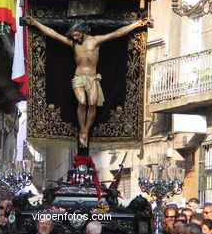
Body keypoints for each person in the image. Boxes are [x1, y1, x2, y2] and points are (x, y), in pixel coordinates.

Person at [24, 16, 148, 147]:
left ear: (82, 31)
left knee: (93, 103)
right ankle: (82, 130)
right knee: (82, 103)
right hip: (78, 77)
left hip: (92, 78)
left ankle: (85, 131)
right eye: (73, 36)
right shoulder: (73, 43)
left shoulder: (95, 41)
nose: (75, 38)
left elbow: (117, 34)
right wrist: (36, 23)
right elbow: (53, 34)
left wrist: (136, 24)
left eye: (76, 35)